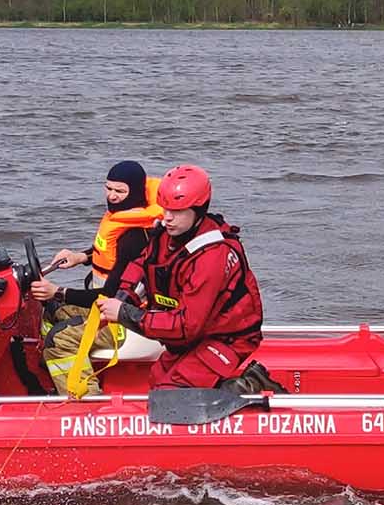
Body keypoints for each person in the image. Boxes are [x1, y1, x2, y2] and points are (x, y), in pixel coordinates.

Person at [97, 164, 268, 389]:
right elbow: (142, 267)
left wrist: (125, 314)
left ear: (198, 210)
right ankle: (234, 385)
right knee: (157, 378)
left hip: (227, 338)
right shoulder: (166, 236)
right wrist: (123, 298)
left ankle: (249, 386)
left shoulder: (212, 256)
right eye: (165, 209)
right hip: (197, 335)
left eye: (176, 212)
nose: (168, 218)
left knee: (172, 392)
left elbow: (187, 325)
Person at [32, 160, 162, 357]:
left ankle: (77, 377)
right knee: (51, 310)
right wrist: (80, 257)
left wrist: (58, 292)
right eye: (108, 188)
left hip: (123, 319)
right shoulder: (121, 220)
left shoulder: (135, 236)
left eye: (120, 191)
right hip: (104, 306)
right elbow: (110, 254)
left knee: (59, 340)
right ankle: (45, 365)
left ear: (135, 192)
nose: (112, 196)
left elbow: (109, 294)